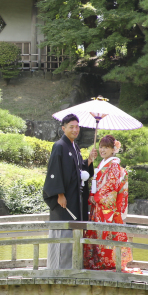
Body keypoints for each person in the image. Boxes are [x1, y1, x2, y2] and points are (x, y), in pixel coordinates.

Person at [42, 114, 96, 269]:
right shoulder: (59, 146)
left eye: (77, 126)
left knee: (74, 230)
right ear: (63, 128)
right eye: (71, 127)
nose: (75, 129)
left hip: (75, 198)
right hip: (64, 199)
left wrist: (89, 161)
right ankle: (59, 267)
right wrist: (59, 194)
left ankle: (73, 266)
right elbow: (54, 171)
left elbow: (78, 170)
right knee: (64, 230)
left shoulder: (74, 146)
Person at [83, 135, 134, 271]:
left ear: (113, 149)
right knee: (98, 233)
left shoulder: (114, 165)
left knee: (106, 233)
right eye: (101, 147)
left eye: (106, 147)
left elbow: (111, 186)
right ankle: (98, 261)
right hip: (99, 205)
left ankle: (108, 262)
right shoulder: (103, 164)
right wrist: (93, 195)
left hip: (106, 208)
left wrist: (97, 197)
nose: (102, 150)